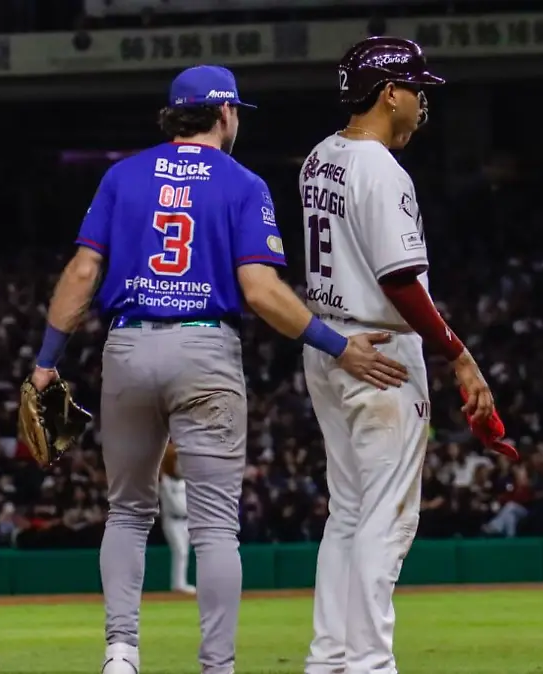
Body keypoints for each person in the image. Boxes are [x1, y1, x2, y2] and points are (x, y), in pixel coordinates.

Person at [26, 64, 408, 674]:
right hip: (204, 351)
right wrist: (338, 345)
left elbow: (81, 273)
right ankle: (217, 667)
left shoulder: (122, 176)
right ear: (225, 112)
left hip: (128, 347)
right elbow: (260, 290)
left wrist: (46, 363)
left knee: (127, 512)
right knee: (214, 529)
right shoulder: (242, 183)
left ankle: (121, 653)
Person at [299, 37, 516, 674]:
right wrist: (458, 354)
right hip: (382, 350)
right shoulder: (381, 168)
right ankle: (369, 663)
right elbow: (398, 279)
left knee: (347, 511)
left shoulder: (319, 156)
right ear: (389, 93)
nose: (423, 103)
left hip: (331, 345)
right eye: (417, 90)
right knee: (387, 516)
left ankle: (329, 659)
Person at [160, 441, 195, 595]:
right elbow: (173, 504)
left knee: (184, 552)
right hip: (172, 520)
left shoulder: (185, 481)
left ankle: (180, 583)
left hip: (186, 520)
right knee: (180, 550)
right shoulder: (166, 482)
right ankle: (178, 584)